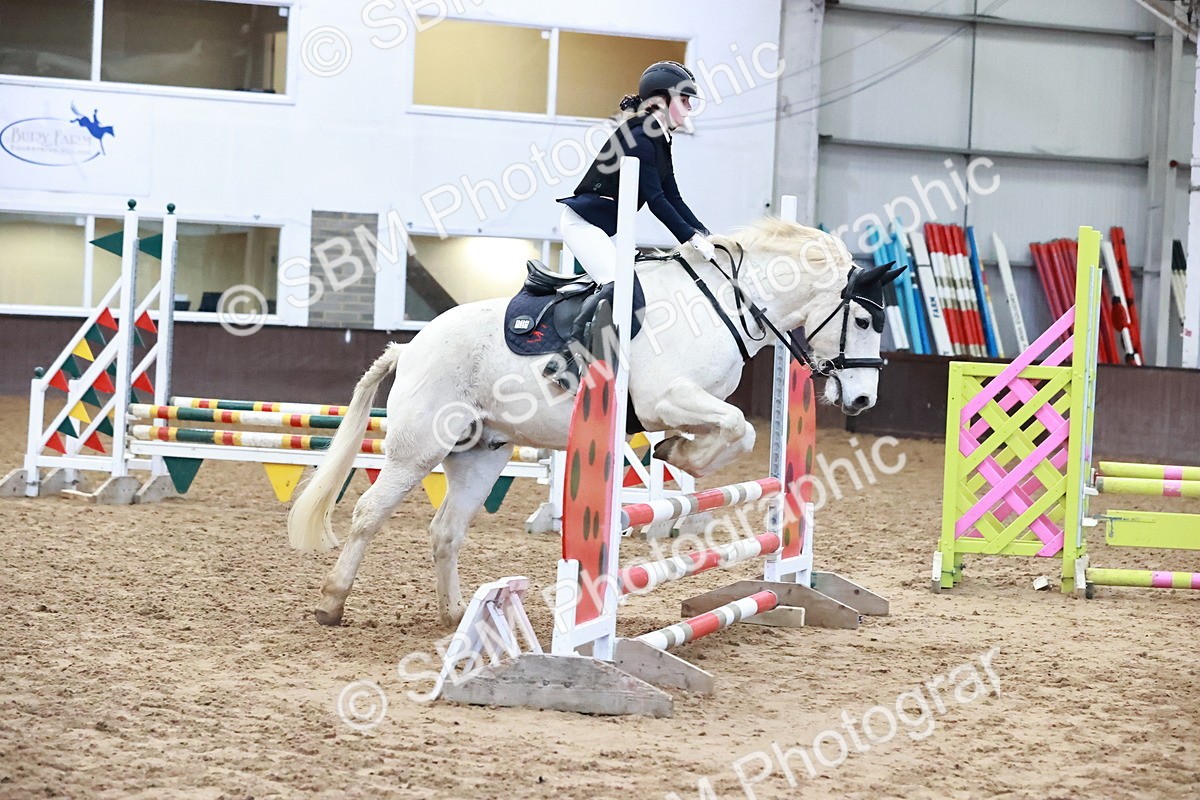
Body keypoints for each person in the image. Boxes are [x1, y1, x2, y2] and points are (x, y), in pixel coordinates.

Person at [547, 60, 713, 385]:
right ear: (661, 101)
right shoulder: (641, 135)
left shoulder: (659, 138)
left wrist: (706, 235)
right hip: (583, 225)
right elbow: (656, 201)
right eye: (685, 99)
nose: (690, 108)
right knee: (619, 288)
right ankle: (566, 362)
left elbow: (674, 196)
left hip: (604, 229)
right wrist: (691, 239)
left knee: (632, 287)